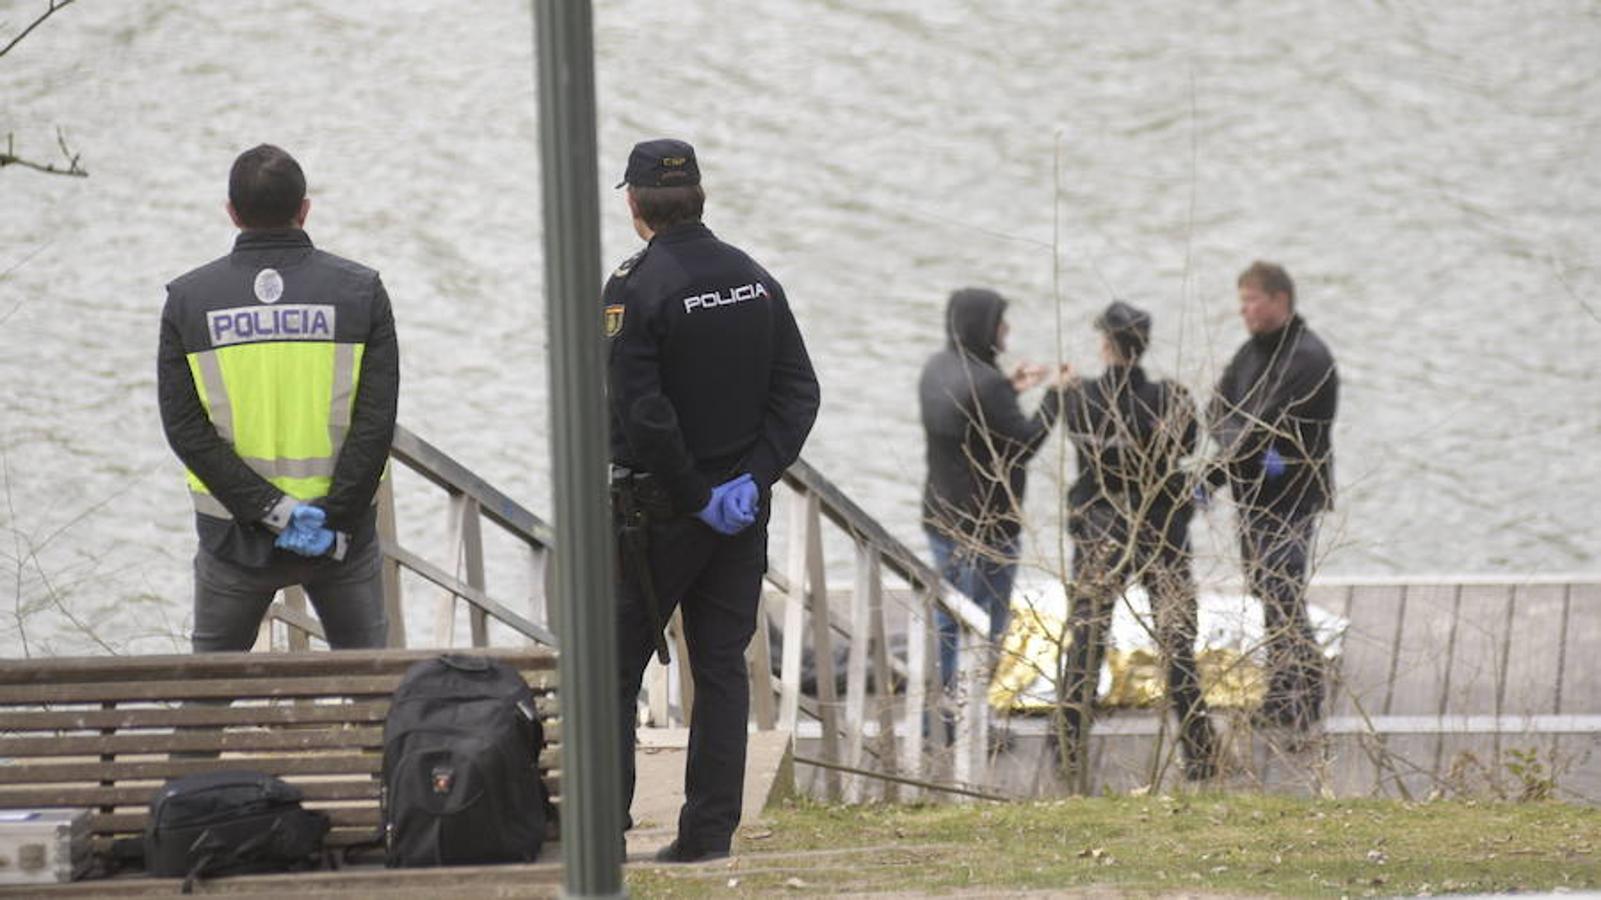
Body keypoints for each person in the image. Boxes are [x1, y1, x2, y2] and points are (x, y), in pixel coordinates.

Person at [606, 138, 820, 863]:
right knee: (722, 669)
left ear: (634, 206)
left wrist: (693, 494)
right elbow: (797, 393)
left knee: (613, 665)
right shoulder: (754, 278)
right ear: (699, 197)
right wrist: (750, 479)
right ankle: (705, 837)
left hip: (656, 517)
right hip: (737, 514)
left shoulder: (634, 286)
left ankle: (605, 829)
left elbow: (641, 411)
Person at [158, 144, 398, 653]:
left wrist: (270, 509)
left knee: (209, 701)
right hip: (341, 535)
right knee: (375, 693)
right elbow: (375, 424)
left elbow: (185, 429)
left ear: (231, 212)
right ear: (305, 208)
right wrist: (328, 518)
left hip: (234, 536)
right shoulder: (361, 292)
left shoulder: (188, 302)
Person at [1055, 301, 1215, 784]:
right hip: (1159, 530)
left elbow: (1079, 441)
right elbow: (1187, 445)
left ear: (1105, 345)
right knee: (1176, 641)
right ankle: (1200, 754)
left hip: (1102, 529)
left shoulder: (1081, 400)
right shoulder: (1172, 399)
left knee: (1087, 639)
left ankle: (1067, 752)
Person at [918, 288, 1069, 706]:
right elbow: (1023, 445)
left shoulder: (937, 368)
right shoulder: (987, 386)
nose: (1006, 329)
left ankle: (941, 716)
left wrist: (1010, 387)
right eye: (1000, 321)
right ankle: (970, 721)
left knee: (948, 621)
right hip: (987, 530)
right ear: (981, 326)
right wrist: (1055, 395)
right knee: (985, 627)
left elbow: (972, 421)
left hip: (941, 518)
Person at [1207, 260, 1339, 732]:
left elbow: (1266, 427)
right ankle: (1282, 691)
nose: (1243, 310)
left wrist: (1212, 476)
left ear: (1279, 300)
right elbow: (1217, 409)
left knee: (1283, 592)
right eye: (1241, 300)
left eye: (1250, 300)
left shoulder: (1307, 359)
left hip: (1291, 496)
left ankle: (1304, 694)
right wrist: (1230, 446)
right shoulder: (1250, 353)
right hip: (1252, 492)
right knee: (1266, 593)